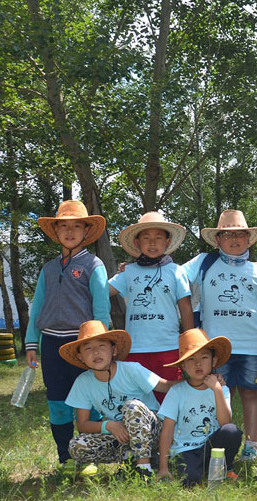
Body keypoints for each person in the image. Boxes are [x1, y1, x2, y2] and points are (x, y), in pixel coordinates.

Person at [24, 200, 111, 468]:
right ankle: (66, 458)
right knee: (58, 401)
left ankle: (90, 456)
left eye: (77, 226)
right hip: (51, 342)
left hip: (83, 343)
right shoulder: (48, 269)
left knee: (91, 400)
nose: (70, 231)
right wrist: (30, 343)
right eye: (64, 226)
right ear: (56, 231)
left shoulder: (94, 265)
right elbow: (37, 306)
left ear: (87, 231)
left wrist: (102, 343)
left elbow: (101, 307)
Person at [181, 209, 257, 462]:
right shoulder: (203, 263)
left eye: (240, 234)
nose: (234, 239)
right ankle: (215, 444)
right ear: (217, 239)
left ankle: (251, 446)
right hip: (216, 346)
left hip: (253, 345)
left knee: (252, 393)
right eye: (227, 234)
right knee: (214, 392)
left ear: (249, 239)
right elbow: (174, 276)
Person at [61, 321, 179, 477]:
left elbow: (167, 386)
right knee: (77, 445)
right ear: (81, 357)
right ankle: (130, 459)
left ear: (114, 350)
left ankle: (144, 469)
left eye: (101, 346)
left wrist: (201, 381)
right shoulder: (83, 382)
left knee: (132, 407)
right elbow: (82, 425)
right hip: (120, 436)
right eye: (88, 348)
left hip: (152, 433)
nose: (95, 352)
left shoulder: (132, 370)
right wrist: (109, 425)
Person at [110, 211, 194, 403]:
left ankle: (168, 434)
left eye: (158, 237)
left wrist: (190, 346)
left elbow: (186, 308)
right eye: (146, 238)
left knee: (170, 400)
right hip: (135, 348)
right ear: (138, 243)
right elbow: (103, 291)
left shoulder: (176, 271)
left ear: (167, 241)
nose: (153, 243)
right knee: (135, 400)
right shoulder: (129, 271)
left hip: (169, 347)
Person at [155, 329, 242, 485]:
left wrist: (216, 390)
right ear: (183, 365)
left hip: (213, 446)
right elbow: (167, 430)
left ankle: (226, 466)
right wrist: (163, 467)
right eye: (191, 359)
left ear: (214, 361)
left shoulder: (222, 389)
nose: (198, 363)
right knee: (190, 480)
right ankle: (202, 469)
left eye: (204, 357)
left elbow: (225, 423)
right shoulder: (177, 392)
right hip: (186, 449)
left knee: (231, 431)